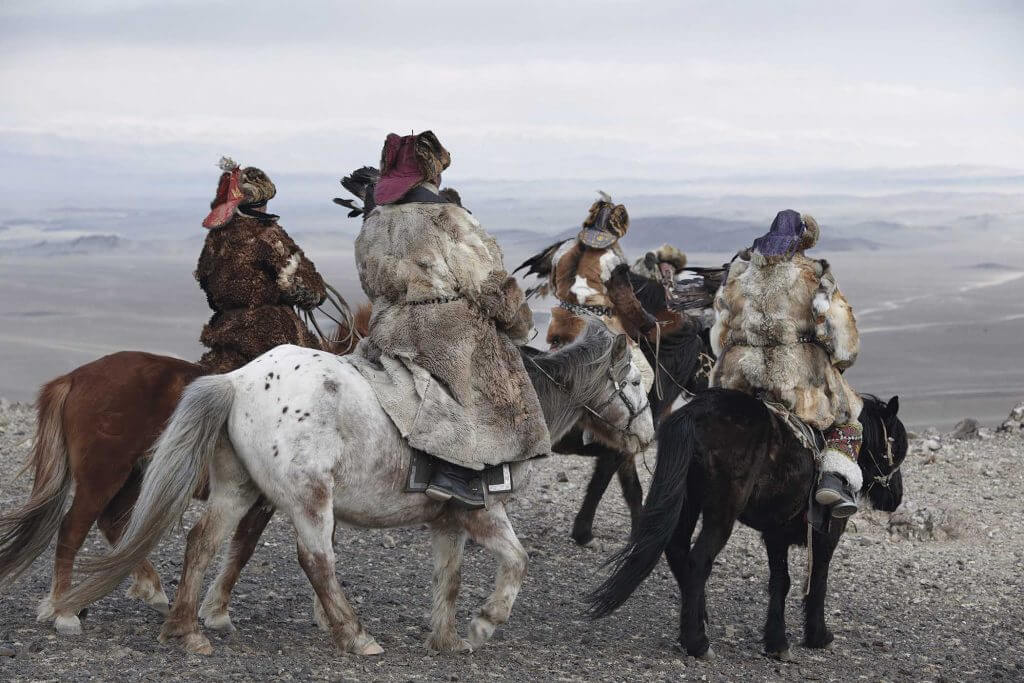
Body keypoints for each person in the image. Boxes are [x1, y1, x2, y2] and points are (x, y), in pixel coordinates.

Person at [353, 131, 550, 509]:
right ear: (433, 172)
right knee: (495, 383)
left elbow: (369, 281)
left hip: (388, 328)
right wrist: (519, 324)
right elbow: (490, 285)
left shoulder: (374, 223)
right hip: (444, 329)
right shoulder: (449, 218)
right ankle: (463, 476)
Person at [709, 210, 863, 517]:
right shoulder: (816, 278)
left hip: (740, 380)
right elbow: (844, 344)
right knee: (849, 420)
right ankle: (832, 481)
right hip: (796, 382)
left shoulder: (737, 279)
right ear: (801, 243)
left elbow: (719, 338)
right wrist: (836, 356)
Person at [195, 158, 326, 373]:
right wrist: (309, 291)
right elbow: (310, 289)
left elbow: (208, 288)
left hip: (226, 332)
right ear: (262, 200)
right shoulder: (268, 236)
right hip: (272, 335)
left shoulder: (215, 239)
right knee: (319, 377)